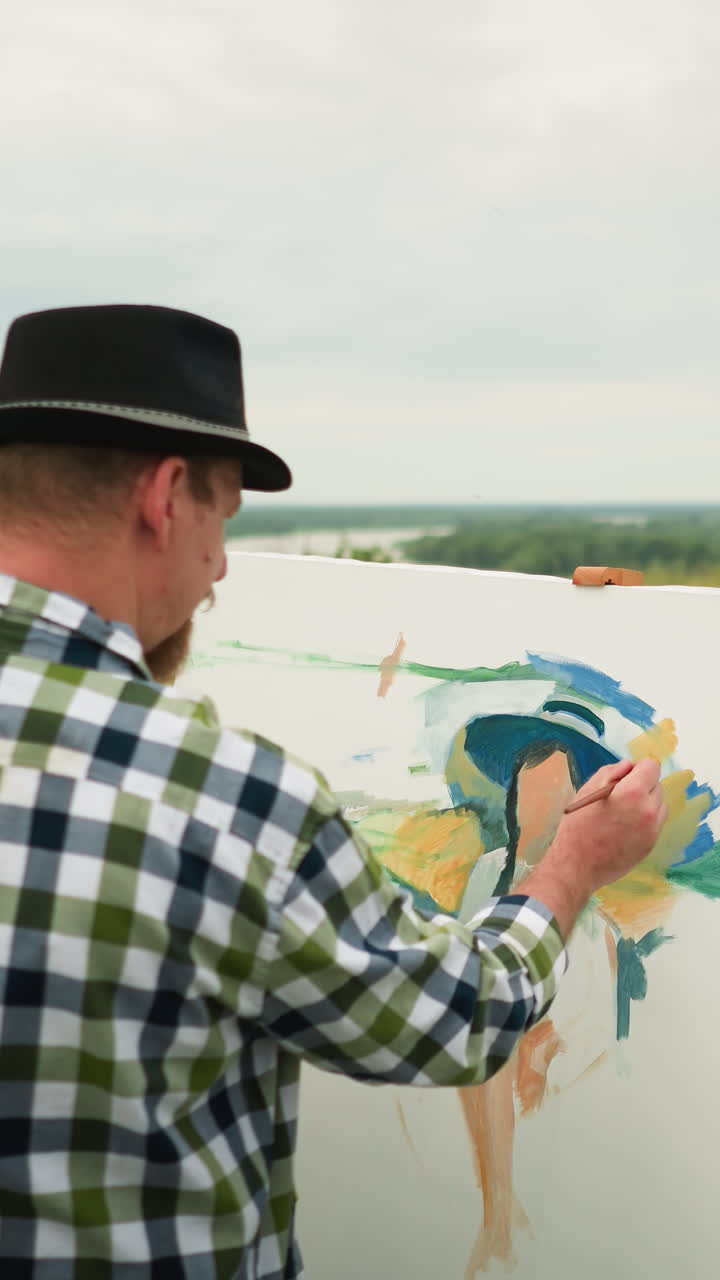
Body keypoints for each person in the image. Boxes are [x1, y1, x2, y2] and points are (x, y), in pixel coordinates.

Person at [0, 304, 666, 1279]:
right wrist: (570, 867)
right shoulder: (221, 793)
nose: (221, 567)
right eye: (222, 516)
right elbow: (454, 1018)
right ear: (167, 494)